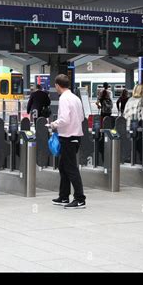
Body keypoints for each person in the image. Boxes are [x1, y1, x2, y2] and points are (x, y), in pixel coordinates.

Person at [50, 74, 86, 209]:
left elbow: (64, 119)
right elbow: (82, 117)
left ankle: (80, 199)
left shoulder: (64, 99)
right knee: (63, 167)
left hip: (68, 137)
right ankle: (64, 196)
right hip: (75, 137)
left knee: (71, 168)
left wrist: (53, 124)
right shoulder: (76, 98)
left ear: (57, 85)